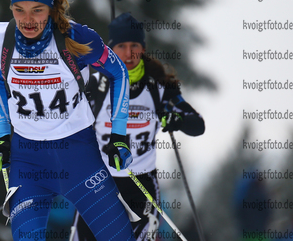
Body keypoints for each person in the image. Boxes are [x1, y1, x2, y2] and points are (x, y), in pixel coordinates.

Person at [0, 0, 137, 241]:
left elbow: (118, 73)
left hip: (78, 155)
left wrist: (118, 135)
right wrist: (2, 134)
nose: (27, 20)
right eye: (19, 10)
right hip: (27, 161)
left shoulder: (75, 37)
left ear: (51, 9)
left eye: (37, 10)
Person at [72, 13, 205, 241]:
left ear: (143, 48)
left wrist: (178, 120)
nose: (129, 52)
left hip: (141, 184)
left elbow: (197, 125)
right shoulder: (96, 83)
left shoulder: (159, 87)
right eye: (121, 45)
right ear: (111, 49)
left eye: (135, 45)